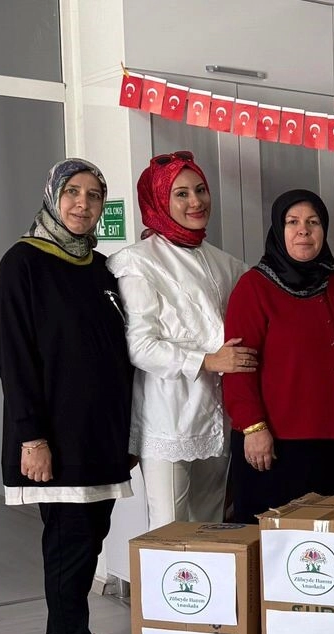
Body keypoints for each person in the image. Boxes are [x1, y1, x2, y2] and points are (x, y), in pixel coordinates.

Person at [0, 158, 133, 634]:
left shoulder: (99, 268)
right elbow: (14, 357)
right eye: (72, 192)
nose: (82, 204)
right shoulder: (22, 263)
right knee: (69, 541)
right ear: (53, 196)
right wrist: (33, 438)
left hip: (100, 434)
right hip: (55, 437)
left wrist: (126, 433)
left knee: (91, 536)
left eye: (94, 195)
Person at [107, 151, 251, 527]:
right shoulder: (138, 261)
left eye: (201, 190)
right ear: (158, 200)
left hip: (217, 415)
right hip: (167, 417)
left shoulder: (227, 264)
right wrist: (207, 360)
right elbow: (140, 345)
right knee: (168, 532)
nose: (196, 202)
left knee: (211, 528)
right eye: (181, 194)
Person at [222, 190, 334, 519]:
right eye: (292, 222)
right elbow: (238, 366)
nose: (304, 230)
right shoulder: (253, 287)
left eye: (313, 222)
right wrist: (253, 428)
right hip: (275, 445)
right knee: (275, 542)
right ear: (278, 229)